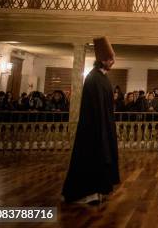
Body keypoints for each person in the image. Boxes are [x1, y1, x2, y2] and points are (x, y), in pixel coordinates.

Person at [62, 36, 120, 204]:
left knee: (103, 158)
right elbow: (95, 108)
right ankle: (87, 193)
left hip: (103, 126)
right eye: (110, 59)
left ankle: (100, 189)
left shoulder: (102, 78)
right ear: (102, 60)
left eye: (113, 58)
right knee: (90, 159)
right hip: (93, 129)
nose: (112, 62)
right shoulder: (93, 79)